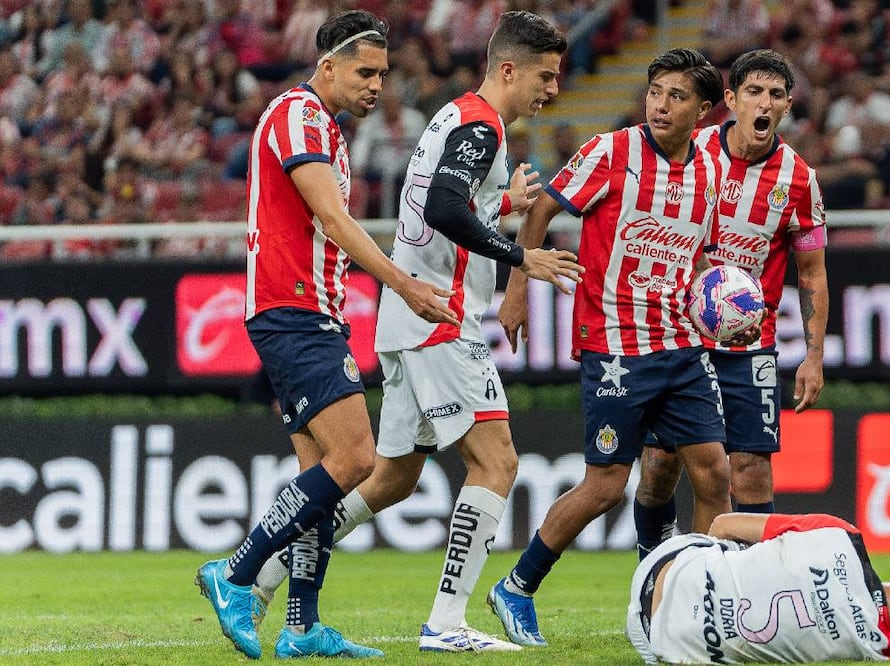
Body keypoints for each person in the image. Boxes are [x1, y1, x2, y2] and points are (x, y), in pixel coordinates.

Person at [247, 10, 582, 654]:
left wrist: (498, 207)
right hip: (438, 316)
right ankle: (447, 623)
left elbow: (439, 203)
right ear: (508, 69)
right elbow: (441, 206)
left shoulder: (459, 119)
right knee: (497, 461)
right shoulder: (481, 126)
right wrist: (521, 257)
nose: (553, 90)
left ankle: (264, 577)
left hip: (410, 318)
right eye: (545, 75)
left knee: (391, 479)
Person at [194, 10, 461, 660]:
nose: (376, 85)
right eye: (365, 72)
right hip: (294, 311)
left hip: (307, 312)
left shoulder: (327, 131)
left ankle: (301, 625)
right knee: (357, 459)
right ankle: (234, 573)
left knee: (321, 473)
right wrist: (404, 285)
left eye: (383, 74)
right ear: (328, 66)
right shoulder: (299, 115)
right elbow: (335, 222)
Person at [488, 48, 731, 648]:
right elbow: (542, 207)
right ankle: (516, 587)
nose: (659, 103)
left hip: (681, 341)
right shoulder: (610, 151)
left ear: (703, 111)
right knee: (605, 486)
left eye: (676, 96)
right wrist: (518, 287)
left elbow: (694, 252)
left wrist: (725, 312)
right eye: (655, 91)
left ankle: (695, 602)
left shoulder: (711, 170)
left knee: (714, 472)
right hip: (616, 346)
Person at [633, 48, 830, 558]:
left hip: (752, 344)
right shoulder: (691, 150)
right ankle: (651, 566)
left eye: (776, 95)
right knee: (659, 466)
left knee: (751, 467)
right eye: (754, 92)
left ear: (786, 106)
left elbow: (812, 273)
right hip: (678, 335)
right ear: (730, 100)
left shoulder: (799, 179)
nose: (765, 103)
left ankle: (747, 581)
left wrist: (813, 355)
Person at [626, 491, 890, 663]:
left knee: (735, 548)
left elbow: (722, 525)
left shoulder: (842, 534)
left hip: (657, 569)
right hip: (661, 644)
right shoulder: (879, 646)